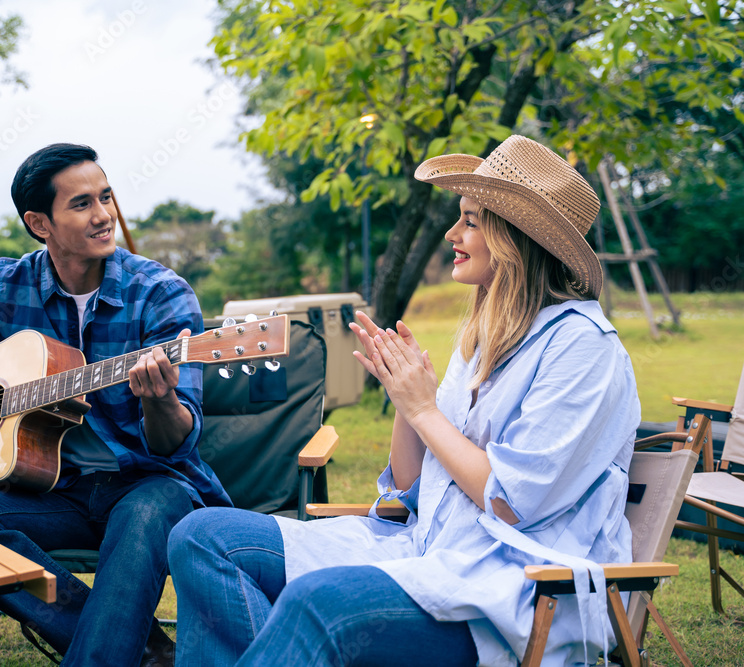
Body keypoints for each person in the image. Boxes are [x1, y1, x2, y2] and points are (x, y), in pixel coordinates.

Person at [167, 135, 640, 667]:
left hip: (515, 593)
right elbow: (413, 486)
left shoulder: (584, 349)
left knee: (319, 603)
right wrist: (404, 398)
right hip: (425, 552)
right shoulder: (487, 338)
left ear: (515, 238)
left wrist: (424, 409)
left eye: (470, 220)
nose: (451, 234)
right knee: (202, 537)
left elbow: (511, 502)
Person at [0, 143, 231, 667]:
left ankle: (112, 651)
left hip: (149, 483)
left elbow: (176, 441)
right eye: (82, 204)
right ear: (40, 223)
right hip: (52, 490)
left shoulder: (161, 294)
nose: (105, 215)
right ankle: (145, 649)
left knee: (146, 515)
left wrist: (160, 400)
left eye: (106, 197)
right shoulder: (4, 284)